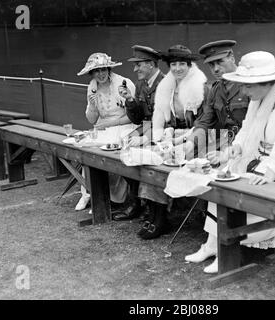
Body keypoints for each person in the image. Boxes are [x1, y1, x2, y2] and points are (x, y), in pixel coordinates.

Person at [185, 51, 275, 274]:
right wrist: (230, 152)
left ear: (265, 83)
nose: (243, 91)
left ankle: (228, 246)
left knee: (240, 185)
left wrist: (266, 171)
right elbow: (246, 133)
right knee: (221, 178)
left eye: (248, 86)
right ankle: (211, 244)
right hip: (265, 159)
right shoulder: (259, 98)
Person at [137, 44, 208, 240]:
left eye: (182, 64)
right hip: (171, 134)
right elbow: (160, 116)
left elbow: (204, 122)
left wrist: (182, 138)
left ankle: (162, 217)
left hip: (195, 137)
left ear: (190, 65)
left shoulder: (201, 86)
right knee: (150, 157)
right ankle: (157, 214)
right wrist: (162, 134)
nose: (177, 69)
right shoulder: (166, 85)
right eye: (174, 64)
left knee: (166, 161)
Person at [75, 52, 137, 211]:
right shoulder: (92, 86)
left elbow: (133, 116)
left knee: (113, 151)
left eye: (103, 69)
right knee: (87, 149)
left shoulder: (124, 83)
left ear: (109, 69)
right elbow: (91, 120)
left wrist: (110, 123)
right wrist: (93, 106)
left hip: (124, 126)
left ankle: (115, 199)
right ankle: (90, 194)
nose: (100, 74)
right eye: (96, 71)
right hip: (102, 127)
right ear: (92, 73)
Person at [113, 45, 164, 221]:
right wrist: (129, 99)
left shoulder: (165, 84)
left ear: (151, 64)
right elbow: (138, 119)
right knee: (122, 151)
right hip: (147, 129)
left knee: (142, 157)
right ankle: (137, 203)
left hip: (164, 133)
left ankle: (152, 208)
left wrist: (144, 137)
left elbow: (166, 120)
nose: (135, 69)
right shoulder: (142, 85)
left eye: (139, 65)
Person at [182, 40, 249, 159]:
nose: (216, 69)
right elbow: (205, 122)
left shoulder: (249, 84)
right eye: (211, 65)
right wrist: (191, 142)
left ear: (232, 58)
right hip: (224, 144)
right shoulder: (215, 90)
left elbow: (256, 126)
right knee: (188, 158)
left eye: (220, 62)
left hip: (246, 146)